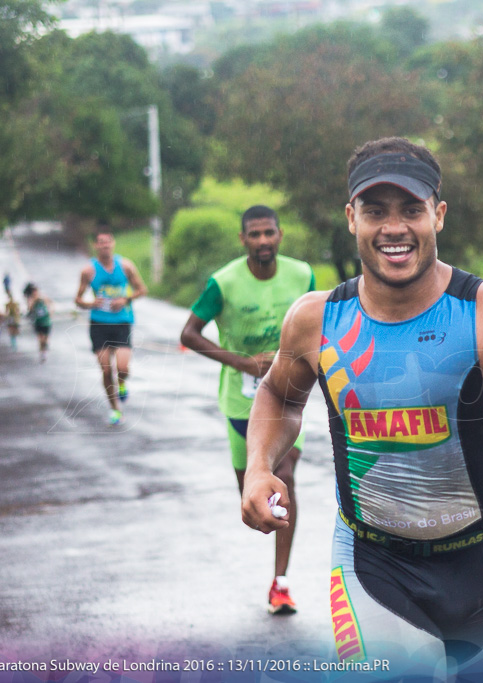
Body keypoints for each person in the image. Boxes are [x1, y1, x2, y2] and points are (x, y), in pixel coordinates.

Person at [240, 137, 483, 675]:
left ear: (439, 214)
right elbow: (277, 392)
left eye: (411, 209)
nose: (394, 227)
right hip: (371, 562)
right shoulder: (317, 320)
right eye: (375, 210)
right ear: (350, 218)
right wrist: (258, 467)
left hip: (480, 564)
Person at [180, 205, 315, 615]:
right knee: (252, 493)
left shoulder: (302, 275)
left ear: (280, 234)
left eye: (268, 233)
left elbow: (318, 326)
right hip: (242, 402)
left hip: (290, 397)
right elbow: (188, 333)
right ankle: (270, 537)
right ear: (243, 240)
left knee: (284, 475)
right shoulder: (223, 283)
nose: (262, 241)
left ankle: (281, 582)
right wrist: (241, 362)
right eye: (254, 235)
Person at [74, 228, 147, 426]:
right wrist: (91, 304)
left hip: (122, 322)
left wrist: (125, 299)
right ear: (95, 245)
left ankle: (121, 384)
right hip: (99, 324)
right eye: (101, 242)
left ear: (113, 243)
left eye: (108, 241)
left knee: (122, 368)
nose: (105, 245)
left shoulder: (125, 266)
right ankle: (115, 408)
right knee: (106, 370)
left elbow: (142, 289)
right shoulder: (88, 271)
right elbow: (77, 299)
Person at [27, 285, 53, 363]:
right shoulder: (31, 299)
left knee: (45, 339)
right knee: (40, 339)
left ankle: (44, 348)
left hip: (46, 322)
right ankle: (42, 353)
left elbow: (51, 305)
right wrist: (34, 301)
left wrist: (51, 312)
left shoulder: (43, 298)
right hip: (38, 322)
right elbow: (29, 308)